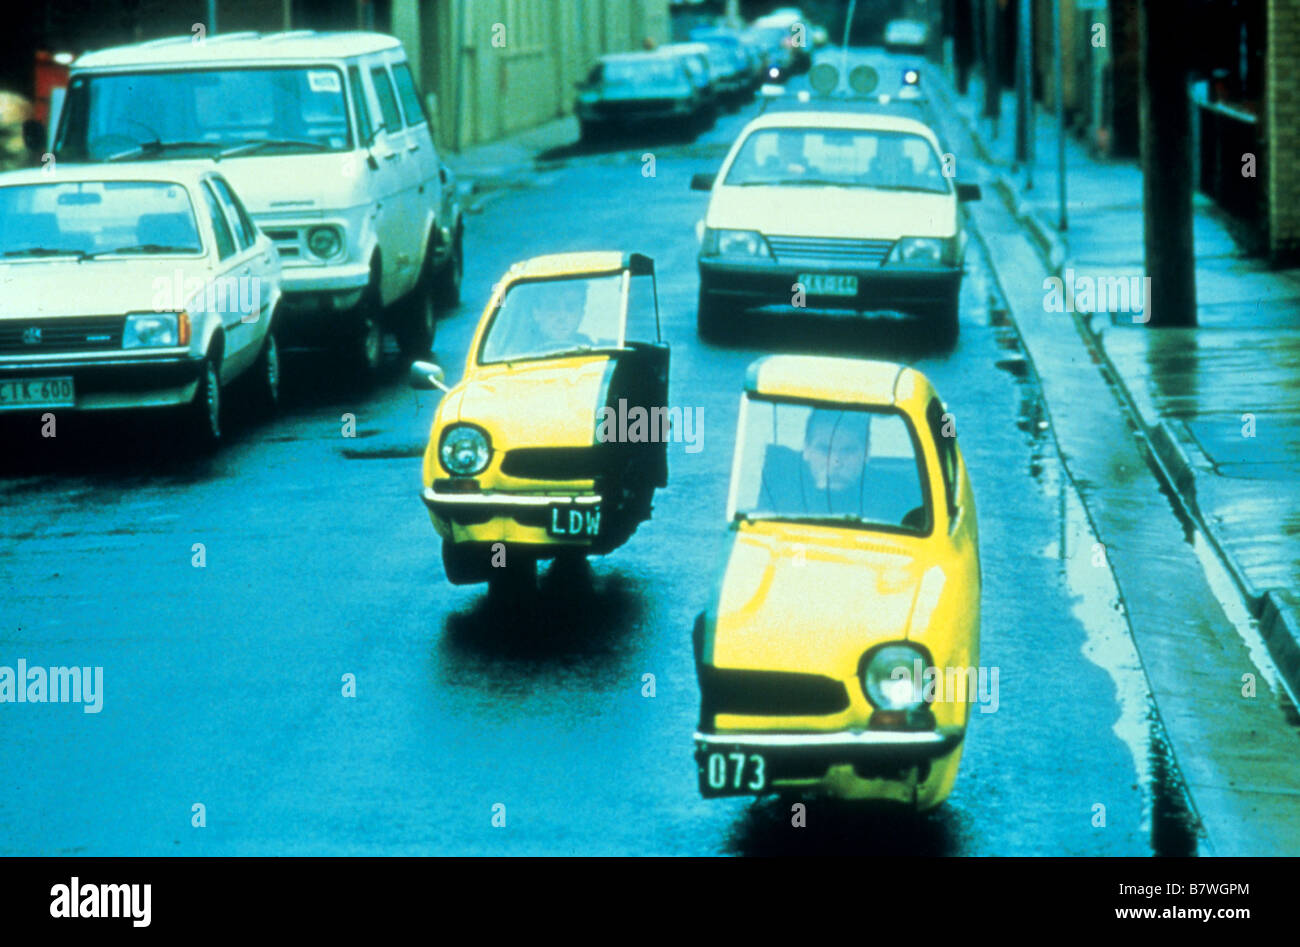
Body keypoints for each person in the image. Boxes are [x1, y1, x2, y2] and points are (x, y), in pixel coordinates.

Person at [760, 409, 870, 515]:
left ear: (866, 452)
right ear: (806, 449)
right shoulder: (777, 503)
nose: (835, 463)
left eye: (848, 450)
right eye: (824, 450)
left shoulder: (886, 509)